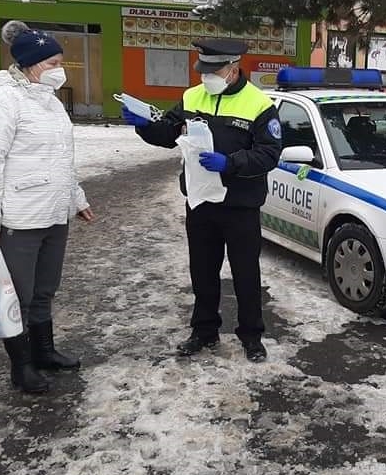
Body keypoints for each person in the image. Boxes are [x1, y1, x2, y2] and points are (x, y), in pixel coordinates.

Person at [122, 39, 281, 363]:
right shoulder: (192, 96)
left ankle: (252, 335)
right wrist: (144, 126)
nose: (206, 77)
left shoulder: (259, 104)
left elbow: (269, 153)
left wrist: (231, 163)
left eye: (213, 70)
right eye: (203, 70)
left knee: (245, 274)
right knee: (203, 271)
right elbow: (169, 133)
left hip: (240, 204)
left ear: (233, 68)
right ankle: (204, 329)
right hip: (200, 202)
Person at [0, 20, 94, 394]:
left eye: (60, 62)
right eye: (53, 63)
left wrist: (77, 198)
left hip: (55, 214)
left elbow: (62, 159)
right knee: (18, 296)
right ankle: (21, 367)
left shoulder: (51, 103)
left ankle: (45, 352)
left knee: (44, 290)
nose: (59, 70)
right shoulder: (1, 102)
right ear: (31, 63)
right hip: (19, 219)